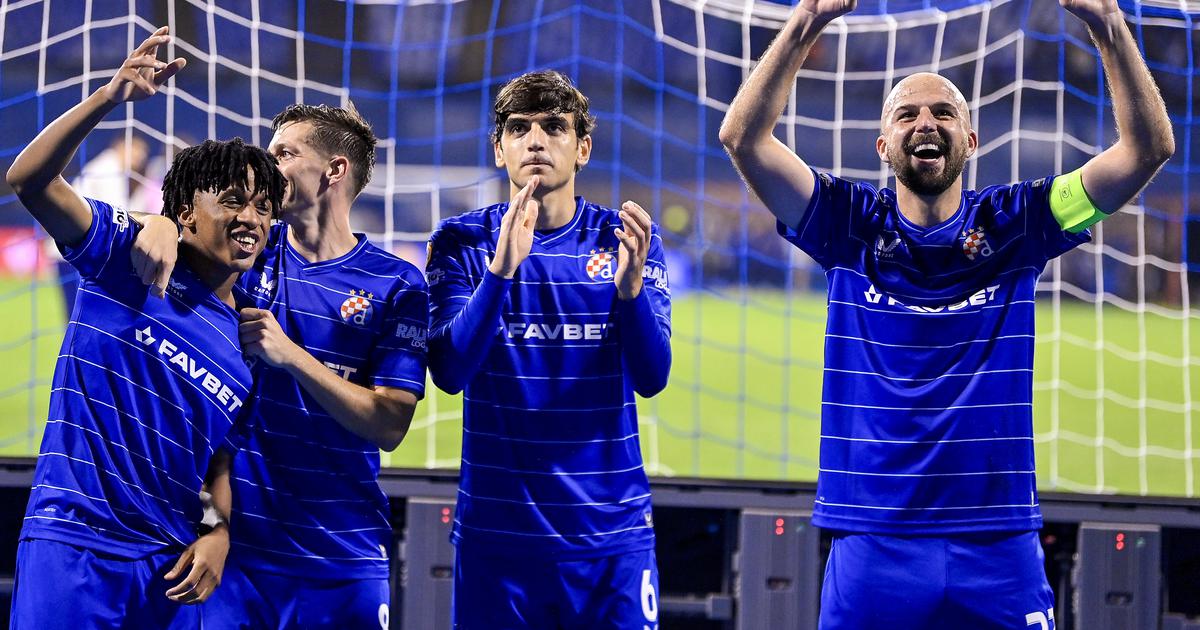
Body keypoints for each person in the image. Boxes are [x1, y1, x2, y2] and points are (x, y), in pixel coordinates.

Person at [719, 1, 1173, 628]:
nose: (925, 122)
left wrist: (1108, 25)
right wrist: (805, 22)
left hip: (998, 542)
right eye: (906, 114)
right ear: (883, 145)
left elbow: (1147, 150)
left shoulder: (1020, 223)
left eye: (943, 112)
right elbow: (743, 139)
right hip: (873, 537)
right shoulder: (846, 224)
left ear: (971, 139)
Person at [6, 27, 285, 628]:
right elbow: (30, 181)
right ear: (185, 212)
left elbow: (218, 463)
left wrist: (219, 533)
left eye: (263, 207)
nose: (251, 217)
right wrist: (108, 98)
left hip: (171, 573)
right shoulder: (125, 260)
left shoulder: (249, 342)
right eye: (233, 200)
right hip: (75, 547)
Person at [133, 102, 428, 628]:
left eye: (284, 154)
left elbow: (390, 425)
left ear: (335, 170)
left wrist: (290, 356)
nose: (267, 167)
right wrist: (155, 220)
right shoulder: (244, 258)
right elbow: (174, 229)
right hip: (233, 558)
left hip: (342, 558)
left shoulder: (396, 284)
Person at [426, 70, 672, 629]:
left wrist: (631, 293)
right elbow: (449, 372)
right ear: (499, 149)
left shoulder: (624, 239)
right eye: (519, 128)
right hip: (499, 539)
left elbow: (652, 377)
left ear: (583, 148)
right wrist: (500, 273)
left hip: (609, 537)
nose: (535, 140)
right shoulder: (461, 242)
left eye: (554, 127)